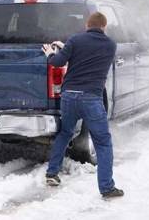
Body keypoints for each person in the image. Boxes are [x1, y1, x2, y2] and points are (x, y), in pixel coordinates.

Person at [41, 12, 124, 199]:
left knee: (65, 133)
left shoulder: (75, 40)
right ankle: (107, 188)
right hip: (91, 99)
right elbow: (90, 56)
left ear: (87, 25)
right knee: (103, 143)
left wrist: (52, 53)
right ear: (104, 26)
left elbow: (57, 62)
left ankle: (52, 174)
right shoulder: (111, 45)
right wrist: (68, 49)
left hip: (69, 97)